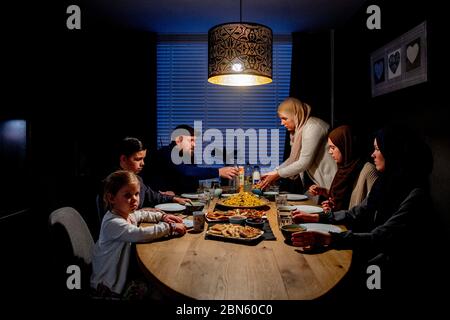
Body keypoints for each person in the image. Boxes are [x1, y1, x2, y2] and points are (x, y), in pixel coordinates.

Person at [291, 127, 433, 295]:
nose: (373, 154)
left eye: (378, 149)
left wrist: (330, 239)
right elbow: (357, 212)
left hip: (391, 269)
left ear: (394, 152)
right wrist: (317, 217)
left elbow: (380, 237)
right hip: (369, 254)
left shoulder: (416, 194)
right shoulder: (385, 182)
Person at [91, 170, 186, 298]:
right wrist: (170, 227)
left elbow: (141, 214)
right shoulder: (113, 222)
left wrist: (163, 216)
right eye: (127, 195)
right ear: (111, 198)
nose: (134, 199)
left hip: (121, 274)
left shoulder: (125, 213)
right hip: (110, 285)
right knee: (159, 292)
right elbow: (140, 233)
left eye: (136, 194)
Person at [97, 137, 191, 219]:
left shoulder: (136, 179)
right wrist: (141, 211)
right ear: (123, 159)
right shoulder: (111, 183)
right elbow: (113, 217)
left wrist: (173, 198)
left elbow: (152, 196)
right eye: (138, 159)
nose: (142, 163)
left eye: (143, 159)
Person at [259, 97, 337, 193]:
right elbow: (293, 159)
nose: (282, 123)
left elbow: (304, 162)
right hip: (320, 184)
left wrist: (277, 174)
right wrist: (274, 172)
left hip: (332, 182)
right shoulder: (300, 130)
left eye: (284, 118)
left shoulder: (313, 127)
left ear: (296, 115)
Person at [146, 124, 239, 194]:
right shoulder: (167, 152)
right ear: (179, 140)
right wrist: (218, 172)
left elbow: (192, 181)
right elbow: (187, 172)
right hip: (160, 204)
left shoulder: (187, 155)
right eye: (191, 140)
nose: (194, 144)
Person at [308, 125, 378, 211]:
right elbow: (342, 199)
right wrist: (325, 193)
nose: (330, 152)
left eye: (333, 148)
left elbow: (371, 207)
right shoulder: (344, 168)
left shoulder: (368, 170)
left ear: (345, 146)